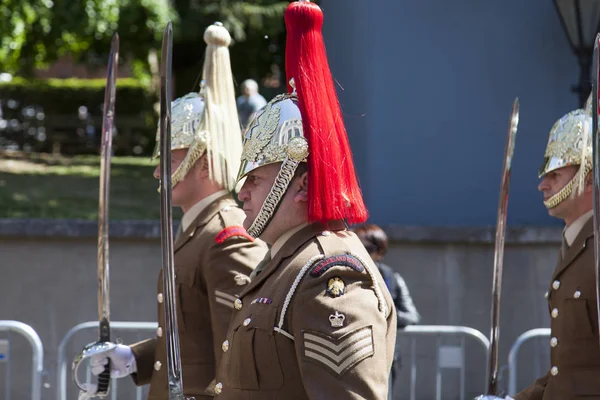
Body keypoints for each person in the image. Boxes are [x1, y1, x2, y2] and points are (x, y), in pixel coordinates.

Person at [211, 2, 397, 398]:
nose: (242, 193)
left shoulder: (329, 276)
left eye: (256, 180)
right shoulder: (283, 262)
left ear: (301, 185)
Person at [88, 22, 268, 400]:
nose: (158, 171)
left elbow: (235, 355)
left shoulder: (227, 237)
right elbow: (192, 336)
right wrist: (133, 359)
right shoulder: (195, 230)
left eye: (169, 159)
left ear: (202, 164)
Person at [513, 94, 600, 400]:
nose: (542, 185)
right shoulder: (573, 245)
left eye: (555, 175)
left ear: (588, 180)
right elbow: (567, 372)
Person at [353, 223, 420, 395]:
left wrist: (380, 314)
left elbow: (412, 315)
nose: (361, 252)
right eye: (356, 246)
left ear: (380, 252)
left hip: (384, 356)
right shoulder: (343, 272)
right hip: (350, 353)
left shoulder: (391, 277)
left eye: (368, 248)